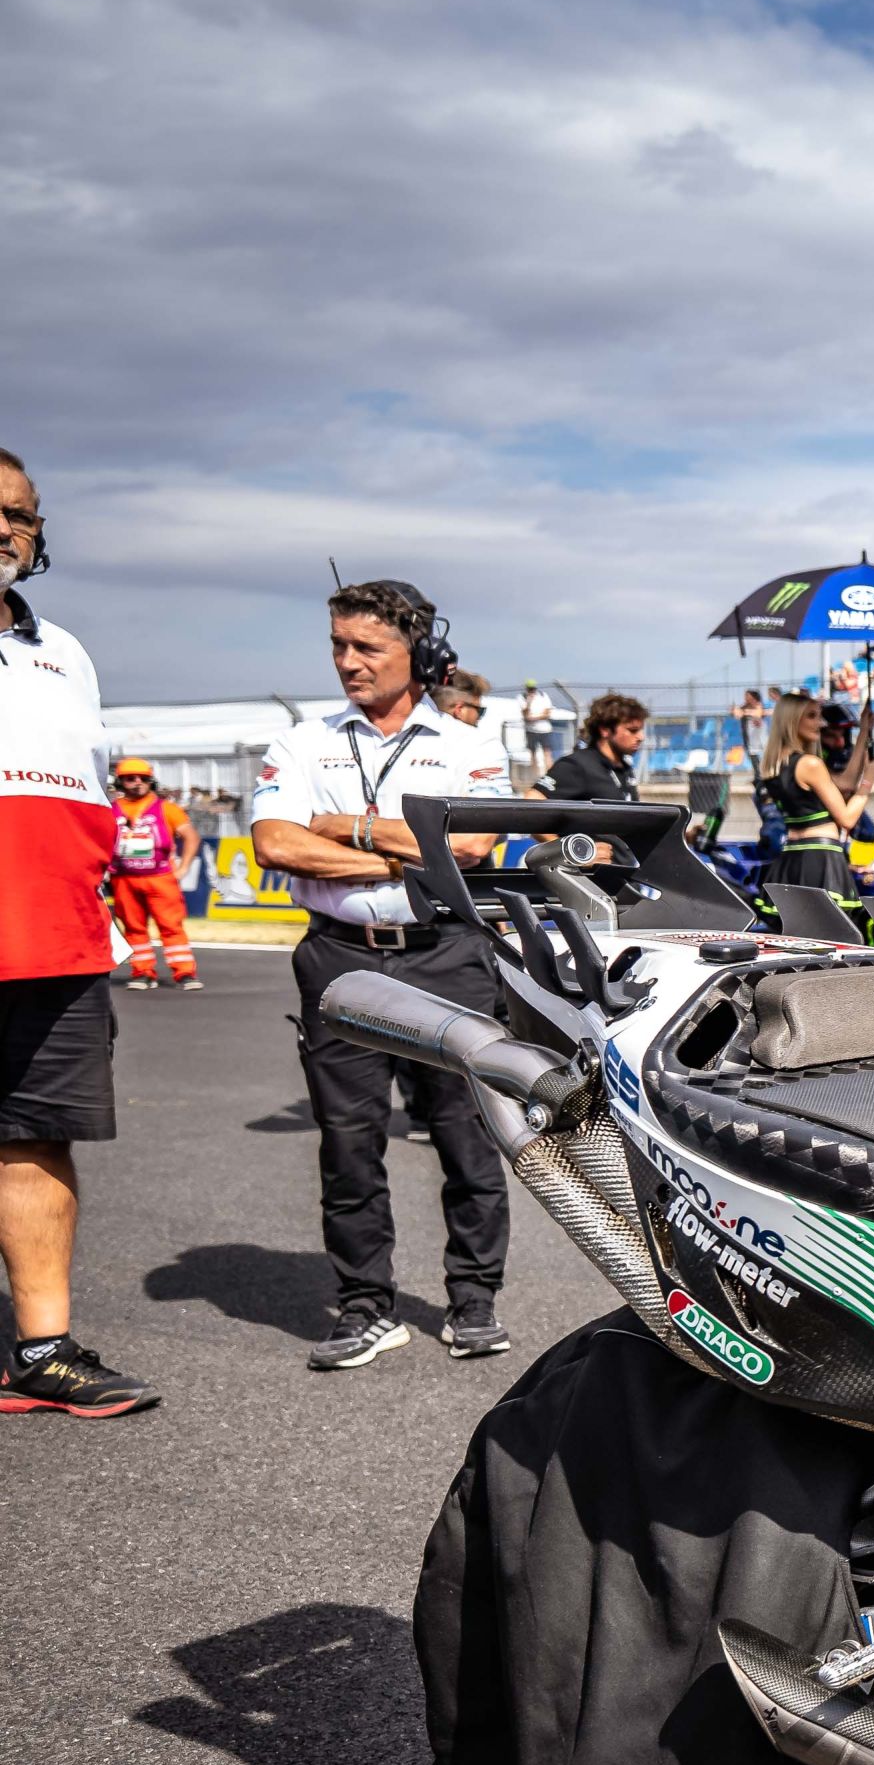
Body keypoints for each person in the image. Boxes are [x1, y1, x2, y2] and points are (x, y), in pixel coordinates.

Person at [248, 578, 517, 1370]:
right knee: (348, 1144)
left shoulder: (470, 745)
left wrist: (343, 825)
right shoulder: (301, 742)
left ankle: (474, 1299)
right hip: (339, 953)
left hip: (446, 955)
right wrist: (402, 851)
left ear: (419, 651)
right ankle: (366, 1305)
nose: (348, 662)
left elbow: (469, 847)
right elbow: (276, 844)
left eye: (367, 646)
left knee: (468, 1137)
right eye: (338, 645)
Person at [0, 450, 158, 1416]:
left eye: (18, 513)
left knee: (34, 1140)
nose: (3, 527)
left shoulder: (64, 649)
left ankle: (41, 1350)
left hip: (55, 945)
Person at [753, 691, 872, 891]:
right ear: (792, 719)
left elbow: (845, 782)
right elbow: (847, 818)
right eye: (812, 716)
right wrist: (868, 781)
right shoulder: (810, 764)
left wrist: (863, 733)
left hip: (792, 856)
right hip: (821, 856)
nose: (821, 723)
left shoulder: (772, 766)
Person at [106, 757, 203, 991]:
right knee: (133, 927)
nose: (137, 782)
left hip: (160, 878)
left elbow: (191, 836)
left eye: (143, 778)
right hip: (124, 879)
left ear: (151, 781)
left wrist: (183, 868)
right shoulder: (111, 810)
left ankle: (184, 972)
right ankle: (142, 972)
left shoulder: (167, 808)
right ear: (120, 782)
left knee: (171, 926)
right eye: (130, 779)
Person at [539, 693, 646, 804]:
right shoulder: (577, 766)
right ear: (605, 730)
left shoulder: (624, 768)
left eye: (640, 730)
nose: (641, 737)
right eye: (633, 730)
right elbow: (533, 803)